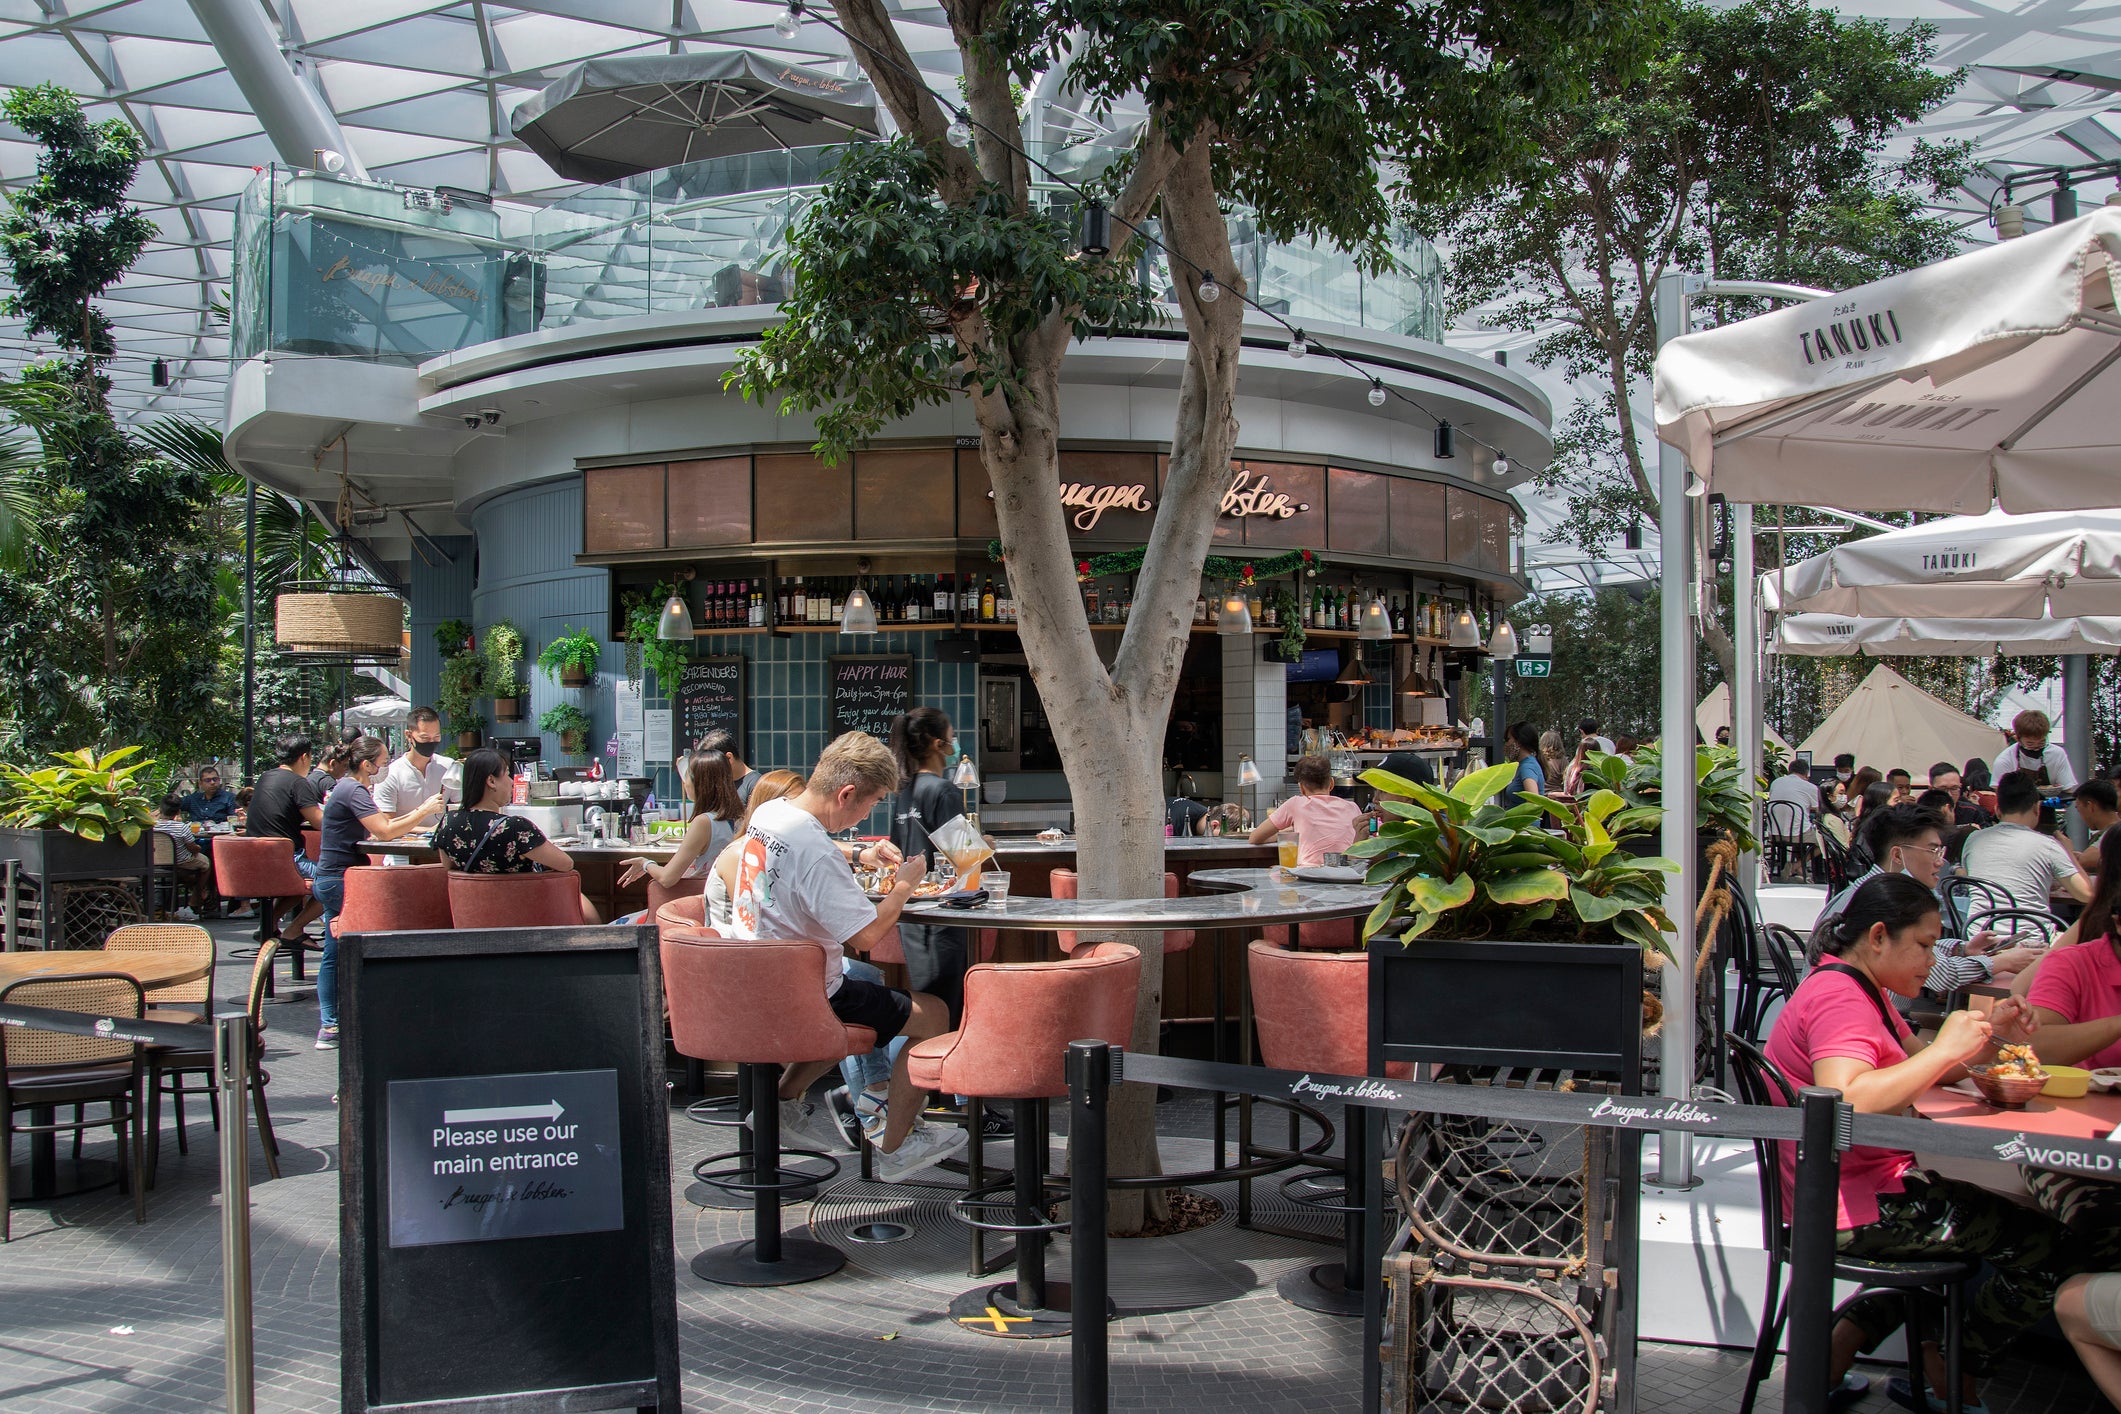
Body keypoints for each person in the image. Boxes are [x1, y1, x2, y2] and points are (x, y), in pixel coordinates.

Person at [1766, 874, 2092, 1413]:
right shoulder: (1841, 998)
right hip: (1855, 1209)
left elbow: (1923, 1063)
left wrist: (1989, 1036)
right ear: (1877, 937)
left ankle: (1837, 1350)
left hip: (1853, 1193)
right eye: (1923, 945)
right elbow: (1847, 1099)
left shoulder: (1855, 986)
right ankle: (1955, 1364)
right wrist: (1945, 1053)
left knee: (1980, 1226)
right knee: (2049, 1249)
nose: (1931, 959)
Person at [727, 731, 966, 1182]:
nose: (868, 814)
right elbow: (869, 934)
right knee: (934, 1014)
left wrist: (860, 850)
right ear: (847, 793)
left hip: (751, 977)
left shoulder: (770, 812)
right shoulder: (817, 853)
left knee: (867, 988)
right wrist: (905, 885)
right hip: (803, 994)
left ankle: (779, 1107)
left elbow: (807, 848)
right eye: (871, 803)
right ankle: (898, 1144)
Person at [1813, 804, 2042, 998]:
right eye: (1933, 851)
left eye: (1940, 852)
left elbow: (1911, 949)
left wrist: (1963, 949)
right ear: (1897, 855)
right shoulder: (1888, 901)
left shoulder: (1865, 889)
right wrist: (2002, 962)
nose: (1940, 862)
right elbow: (1941, 975)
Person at [312, 737, 448, 1050]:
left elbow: (381, 824)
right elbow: (385, 832)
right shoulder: (354, 790)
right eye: (383, 761)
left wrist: (422, 827)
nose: (385, 767)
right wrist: (424, 810)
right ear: (366, 765)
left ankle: (330, 1025)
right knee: (371, 941)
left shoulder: (347, 789)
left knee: (333, 952)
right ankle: (366, 1015)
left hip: (331, 877)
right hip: (343, 879)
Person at [433, 749, 601, 925]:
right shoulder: (514, 828)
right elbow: (566, 864)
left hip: (474, 924)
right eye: (507, 774)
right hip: (527, 922)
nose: (512, 781)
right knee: (585, 908)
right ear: (491, 781)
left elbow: (448, 865)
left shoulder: (448, 823)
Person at [886, 708, 977, 1027]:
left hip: (912, 916)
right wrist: (985, 843)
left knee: (926, 1009)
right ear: (939, 744)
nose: (954, 743)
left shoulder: (904, 792)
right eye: (951, 736)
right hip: (943, 917)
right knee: (946, 1012)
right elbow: (965, 856)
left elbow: (896, 850)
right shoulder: (943, 790)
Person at [616, 732, 746, 906]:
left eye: (687, 776)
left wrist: (645, 864)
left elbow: (667, 878)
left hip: (695, 907)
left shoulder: (704, 822)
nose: (684, 782)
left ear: (701, 783)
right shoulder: (738, 816)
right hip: (720, 906)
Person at [1962, 769, 2092, 914]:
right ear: (2037, 809)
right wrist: (2068, 853)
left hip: (1978, 932)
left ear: (1997, 810)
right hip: (2032, 933)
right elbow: (2086, 895)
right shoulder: (2047, 845)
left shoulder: (1973, 840)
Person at [246, 734, 326, 946]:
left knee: (299, 883)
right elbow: (320, 822)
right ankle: (295, 929)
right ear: (304, 757)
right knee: (336, 880)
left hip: (255, 860)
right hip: (286, 860)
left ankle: (269, 923)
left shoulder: (265, 777)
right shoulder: (298, 783)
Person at [1250, 754, 1367, 865]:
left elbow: (1255, 838)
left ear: (1301, 788)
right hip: (1345, 874)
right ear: (1331, 783)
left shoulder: (1296, 803)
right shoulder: (1352, 807)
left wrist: (1286, 834)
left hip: (1309, 874)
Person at [372, 707, 455, 814]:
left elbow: (460, 807)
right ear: (409, 735)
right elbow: (386, 825)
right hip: (407, 831)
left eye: (436, 737)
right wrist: (427, 824)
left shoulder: (449, 767)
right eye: (424, 738)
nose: (431, 742)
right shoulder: (391, 775)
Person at [153, 796, 213, 920]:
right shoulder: (182, 827)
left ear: (160, 809)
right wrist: (198, 848)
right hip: (181, 861)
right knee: (206, 864)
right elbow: (192, 847)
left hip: (158, 861)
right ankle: (194, 900)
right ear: (178, 811)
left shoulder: (152, 826)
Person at [1992, 708, 2077, 790]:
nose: (2036, 748)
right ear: (2017, 739)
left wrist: (2063, 799)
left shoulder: (2057, 754)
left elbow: (2067, 788)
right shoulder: (2005, 760)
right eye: (2030, 744)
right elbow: (1999, 792)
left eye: (2041, 742)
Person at [2071, 778, 2120, 876]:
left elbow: (2085, 861)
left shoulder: (2113, 833)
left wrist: (2067, 851)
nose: (2080, 814)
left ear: (2090, 806)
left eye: (2078, 807)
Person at [1928, 761, 1993, 828]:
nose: (1949, 795)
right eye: (1942, 789)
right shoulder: (1920, 814)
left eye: (1954, 788)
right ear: (1931, 789)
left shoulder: (1972, 812)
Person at [1497, 723, 1545, 806]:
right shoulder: (1525, 764)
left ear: (1518, 742)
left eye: (1508, 740)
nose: (1506, 745)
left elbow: (1533, 800)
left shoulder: (1527, 767)